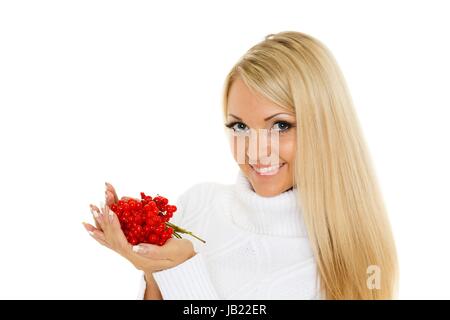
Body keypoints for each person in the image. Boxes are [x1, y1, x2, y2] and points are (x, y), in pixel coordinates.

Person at [83, 31, 398, 299]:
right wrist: (154, 273)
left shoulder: (357, 264)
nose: (256, 152)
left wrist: (180, 270)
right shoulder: (198, 205)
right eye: (240, 127)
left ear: (327, 126)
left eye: (280, 126)